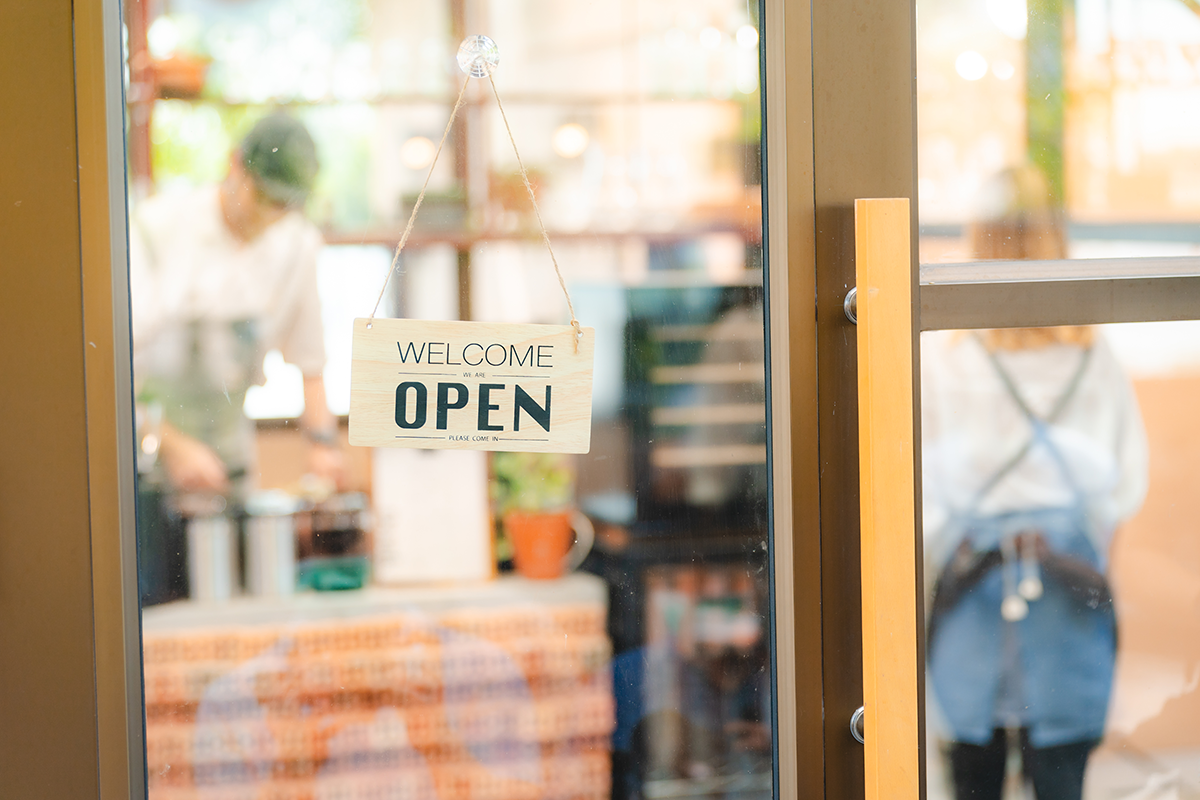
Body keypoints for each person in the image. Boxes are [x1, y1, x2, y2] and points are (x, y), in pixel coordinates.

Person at [921, 166, 1149, 800]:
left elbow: (923, 490)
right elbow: (1124, 486)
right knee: (1062, 780)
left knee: (972, 777)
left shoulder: (947, 356)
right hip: (1071, 597)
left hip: (970, 595)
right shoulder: (1093, 356)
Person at [131, 112, 343, 604]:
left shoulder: (297, 247)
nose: (270, 214)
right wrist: (171, 443)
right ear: (234, 166)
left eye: (285, 205)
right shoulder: (157, 229)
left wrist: (324, 446)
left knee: (237, 597)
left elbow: (309, 361)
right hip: (142, 464)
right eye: (264, 197)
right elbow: (110, 372)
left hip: (230, 464)